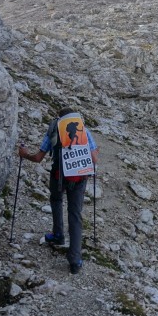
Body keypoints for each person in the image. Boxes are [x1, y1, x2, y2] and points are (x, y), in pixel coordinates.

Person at [18, 107, 99, 274]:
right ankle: (75, 261)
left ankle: (58, 235)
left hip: (58, 176)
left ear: (59, 118)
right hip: (79, 178)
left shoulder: (54, 129)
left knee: (56, 200)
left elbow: (38, 158)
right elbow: (94, 158)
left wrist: (24, 154)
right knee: (75, 214)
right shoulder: (83, 130)